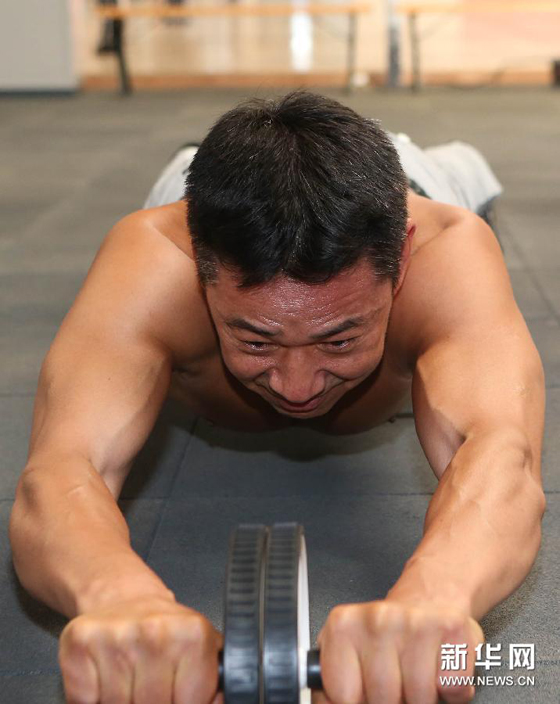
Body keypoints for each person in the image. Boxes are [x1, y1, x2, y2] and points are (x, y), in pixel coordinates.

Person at [9, 91, 545, 704]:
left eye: (339, 339)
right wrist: (118, 600)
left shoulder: (441, 256)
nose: (298, 387)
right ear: (200, 269)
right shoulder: (157, 263)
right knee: (183, 185)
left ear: (400, 265)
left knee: (457, 181)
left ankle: (438, 163)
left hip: (413, 184)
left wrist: (438, 597)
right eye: (255, 340)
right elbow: (60, 470)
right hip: (204, 192)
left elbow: (502, 454)